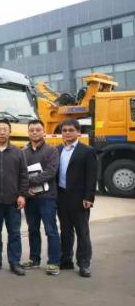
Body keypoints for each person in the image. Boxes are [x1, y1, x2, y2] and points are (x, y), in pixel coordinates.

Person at [0, 119, 29, 276]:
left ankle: (14, 262)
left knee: (14, 233)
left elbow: (24, 175)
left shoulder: (18, 152)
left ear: (10, 132)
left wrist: (22, 194)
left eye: (5, 129)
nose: (2, 132)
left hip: (13, 201)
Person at [21, 119, 61, 276]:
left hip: (47, 197)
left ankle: (53, 262)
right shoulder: (23, 152)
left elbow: (51, 172)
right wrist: (26, 190)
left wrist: (29, 182)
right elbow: (19, 173)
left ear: (44, 132)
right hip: (30, 197)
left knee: (51, 230)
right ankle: (34, 259)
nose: (34, 132)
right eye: (31, 130)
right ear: (28, 132)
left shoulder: (52, 151)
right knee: (32, 229)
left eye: (38, 130)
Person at [57, 119, 96, 278]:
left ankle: (84, 263)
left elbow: (91, 176)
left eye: (71, 130)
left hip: (80, 198)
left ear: (78, 132)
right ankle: (66, 259)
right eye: (64, 130)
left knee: (82, 231)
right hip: (61, 196)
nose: (67, 133)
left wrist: (89, 197)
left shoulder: (87, 151)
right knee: (65, 230)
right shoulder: (58, 149)